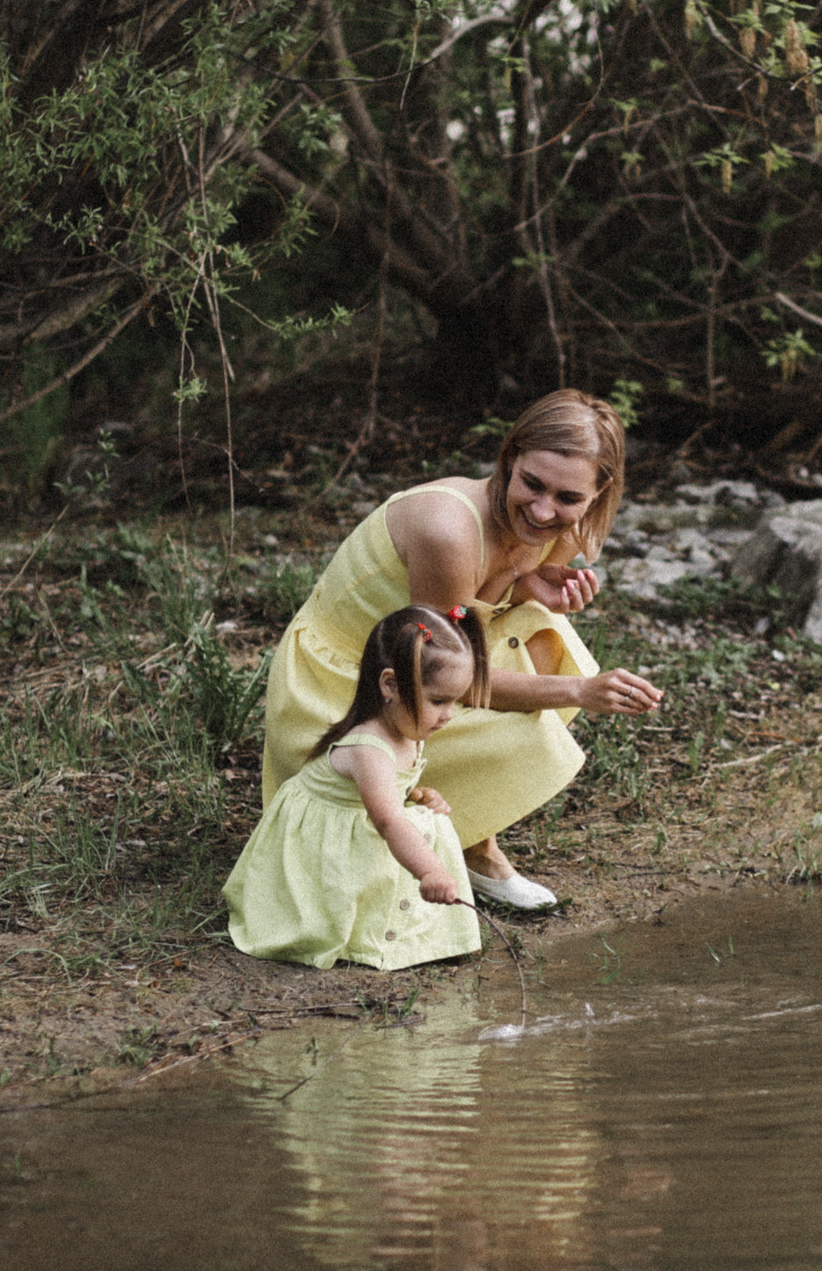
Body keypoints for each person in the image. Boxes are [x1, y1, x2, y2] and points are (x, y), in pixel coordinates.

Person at [261, 389, 665, 910]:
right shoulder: (447, 529)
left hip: (420, 656)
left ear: (598, 492)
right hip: (344, 681)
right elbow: (438, 670)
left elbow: (467, 618)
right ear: (510, 457)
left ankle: (465, 835)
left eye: (568, 498)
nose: (543, 510)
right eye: (531, 484)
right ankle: (464, 843)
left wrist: (522, 588)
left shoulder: (562, 529)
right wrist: (579, 691)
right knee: (533, 721)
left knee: (546, 635)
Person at [224, 605, 488, 970]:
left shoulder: (407, 731)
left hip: (358, 822)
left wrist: (418, 795)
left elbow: (391, 792)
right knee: (410, 833)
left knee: (430, 823)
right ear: (390, 685)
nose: (448, 715)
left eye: (454, 701)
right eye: (438, 701)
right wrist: (430, 870)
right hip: (323, 840)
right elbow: (389, 822)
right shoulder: (369, 748)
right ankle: (346, 922)